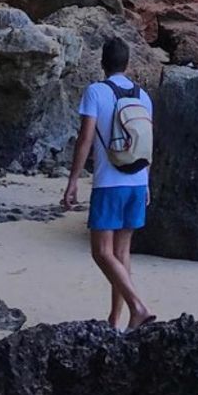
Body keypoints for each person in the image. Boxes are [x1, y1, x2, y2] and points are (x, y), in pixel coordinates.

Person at [62, 36, 155, 330]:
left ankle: (138, 307)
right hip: (137, 181)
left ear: (103, 63)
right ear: (127, 63)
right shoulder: (144, 96)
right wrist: (147, 183)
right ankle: (116, 320)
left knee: (101, 252)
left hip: (109, 183)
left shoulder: (96, 92)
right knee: (121, 253)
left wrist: (73, 180)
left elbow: (85, 139)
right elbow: (148, 143)